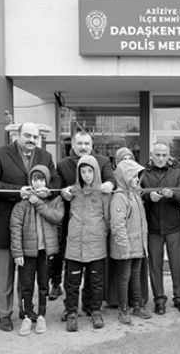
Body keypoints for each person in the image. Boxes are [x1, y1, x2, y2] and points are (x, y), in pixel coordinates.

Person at [0, 122, 60, 332]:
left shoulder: (45, 156)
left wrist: (48, 191)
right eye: (27, 136)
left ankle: (24, 310)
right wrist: (18, 191)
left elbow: (56, 180)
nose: (32, 140)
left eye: (35, 137)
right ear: (17, 135)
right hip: (5, 223)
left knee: (26, 272)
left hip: (35, 227)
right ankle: (4, 314)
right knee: (5, 272)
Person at [55, 131, 115, 320]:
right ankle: (70, 308)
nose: (83, 147)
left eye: (86, 143)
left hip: (94, 227)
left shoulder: (103, 161)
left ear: (92, 144)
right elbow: (56, 187)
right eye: (79, 143)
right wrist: (62, 191)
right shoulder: (63, 165)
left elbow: (111, 180)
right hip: (71, 225)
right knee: (71, 273)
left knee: (94, 274)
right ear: (72, 144)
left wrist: (109, 184)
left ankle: (91, 306)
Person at [11, 165, 64, 336]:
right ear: (30, 182)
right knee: (26, 286)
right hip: (27, 252)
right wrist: (17, 252)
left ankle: (41, 315)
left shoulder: (55, 200)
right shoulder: (22, 204)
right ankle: (27, 316)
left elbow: (56, 217)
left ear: (47, 181)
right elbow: (15, 228)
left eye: (41, 179)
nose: (38, 182)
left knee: (43, 285)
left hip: (46, 251)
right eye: (34, 179)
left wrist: (38, 202)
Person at [141, 142, 180, 314]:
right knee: (155, 265)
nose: (161, 158)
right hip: (153, 226)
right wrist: (149, 196)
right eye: (158, 155)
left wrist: (174, 195)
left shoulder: (176, 172)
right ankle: (159, 299)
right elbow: (138, 192)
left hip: (173, 226)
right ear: (151, 155)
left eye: (164, 155)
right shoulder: (143, 173)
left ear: (169, 156)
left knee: (177, 264)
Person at [61, 155, 108, 332]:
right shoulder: (72, 192)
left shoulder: (103, 193)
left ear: (96, 172)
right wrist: (63, 192)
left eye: (90, 171)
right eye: (83, 171)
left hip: (96, 244)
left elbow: (108, 219)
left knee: (96, 282)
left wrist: (101, 232)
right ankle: (72, 312)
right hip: (74, 244)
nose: (87, 175)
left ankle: (95, 310)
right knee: (72, 282)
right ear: (78, 173)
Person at [110, 159, 152, 324]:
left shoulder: (134, 194)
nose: (137, 179)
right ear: (125, 177)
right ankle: (123, 308)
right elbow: (117, 225)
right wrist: (124, 247)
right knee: (124, 276)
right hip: (126, 247)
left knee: (135, 275)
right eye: (134, 176)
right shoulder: (119, 197)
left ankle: (137, 305)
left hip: (138, 244)